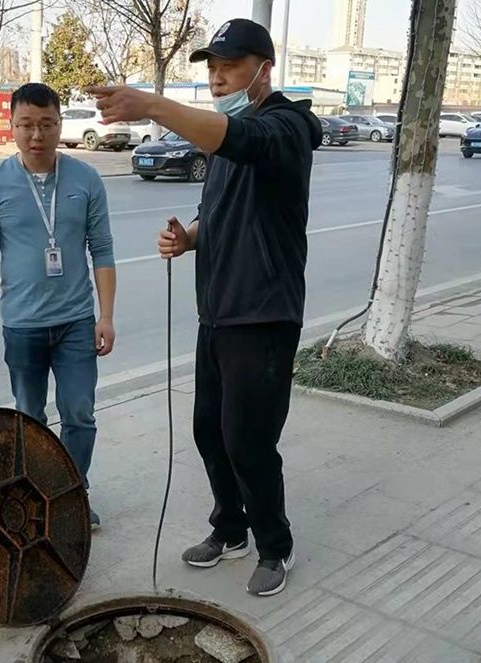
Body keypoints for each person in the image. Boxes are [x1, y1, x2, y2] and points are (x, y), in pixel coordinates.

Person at [88, 18, 321, 596]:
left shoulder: (285, 127)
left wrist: (152, 105)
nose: (217, 79)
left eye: (230, 68)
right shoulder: (223, 139)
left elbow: (241, 141)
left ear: (263, 70)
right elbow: (218, 209)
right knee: (208, 431)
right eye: (212, 69)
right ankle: (230, 528)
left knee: (248, 439)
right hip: (217, 311)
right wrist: (189, 237)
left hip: (263, 315)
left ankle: (275, 546)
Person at [0, 83, 117, 529]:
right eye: (27, 125)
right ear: (12, 126)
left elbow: (102, 251)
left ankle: (71, 496)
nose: (37, 135)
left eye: (47, 124)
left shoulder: (85, 179)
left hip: (76, 321)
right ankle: (37, 501)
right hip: (22, 324)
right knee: (30, 419)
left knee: (79, 412)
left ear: (59, 124)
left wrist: (106, 316)